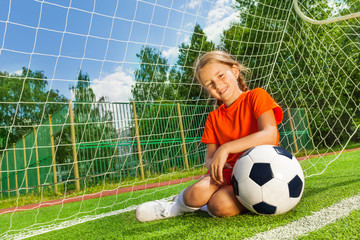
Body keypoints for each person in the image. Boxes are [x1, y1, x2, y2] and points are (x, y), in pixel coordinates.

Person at [135, 50, 283, 222]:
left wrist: (226, 148)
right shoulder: (213, 118)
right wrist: (215, 164)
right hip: (227, 174)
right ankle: (174, 206)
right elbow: (210, 158)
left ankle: (205, 206)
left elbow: (270, 135)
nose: (218, 85)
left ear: (235, 71)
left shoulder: (256, 96)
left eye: (220, 75)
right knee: (197, 193)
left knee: (219, 206)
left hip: (265, 172)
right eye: (210, 84)